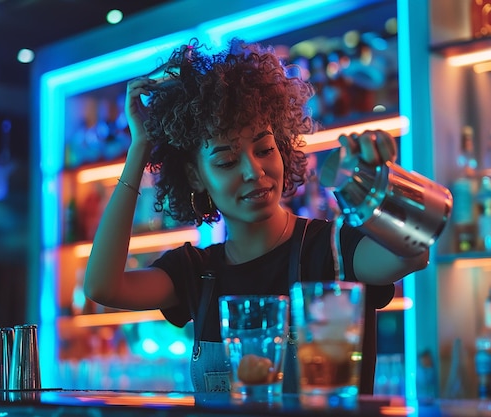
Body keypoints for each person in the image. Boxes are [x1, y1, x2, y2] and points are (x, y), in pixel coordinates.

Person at [83, 38, 429, 394]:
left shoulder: (332, 248)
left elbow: (413, 250)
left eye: (264, 149)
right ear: (195, 176)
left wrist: (382, 180)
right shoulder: (196, 272)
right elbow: (102, 287)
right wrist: (139, 148)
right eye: (227, 161)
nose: (254, 171)